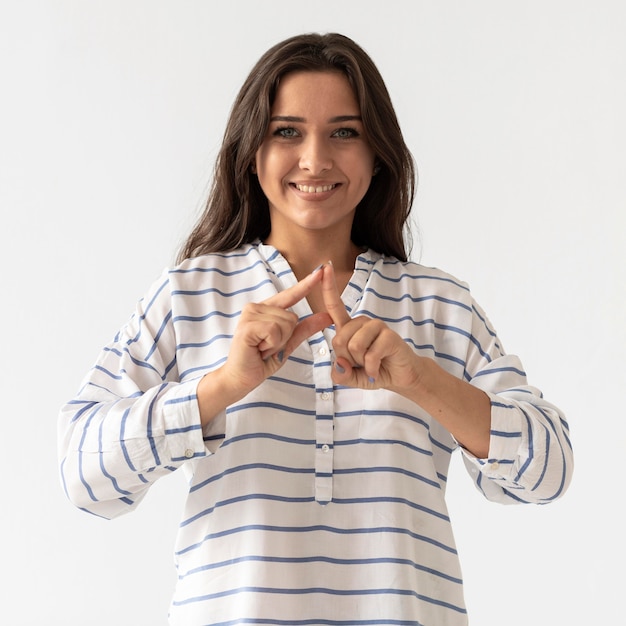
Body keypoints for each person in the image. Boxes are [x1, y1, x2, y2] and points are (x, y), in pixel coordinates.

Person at [58, 32, 573, 626]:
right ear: (252, 150)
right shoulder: (188, 294)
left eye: (344, 133)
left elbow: (550, 470)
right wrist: (220, 387)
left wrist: (420, 380)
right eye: (287, 131)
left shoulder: (438, 303)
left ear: (377, 154)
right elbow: (81, 475)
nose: (315, 159)